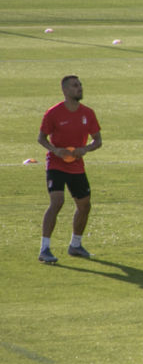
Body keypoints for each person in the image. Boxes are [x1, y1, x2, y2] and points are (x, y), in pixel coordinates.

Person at [37, 76, 102, 263]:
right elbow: (41, 138)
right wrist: (55, 150)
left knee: (85, 206)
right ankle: (44, 249)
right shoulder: (53, 113)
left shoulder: (88, 113)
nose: (79, 88)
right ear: (65, 91)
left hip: (76, 165)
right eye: (75, 86)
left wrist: (86, 149)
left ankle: (75, 245)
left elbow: (98, 140)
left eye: (80, 85)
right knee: (57, 202)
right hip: (56, 164)